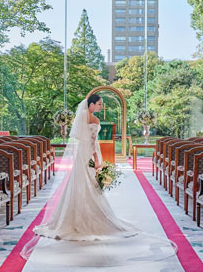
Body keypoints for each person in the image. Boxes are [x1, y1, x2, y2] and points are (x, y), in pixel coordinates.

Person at [33, 94, 139, 241]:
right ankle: (89, 217)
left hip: (81, 153)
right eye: (99, 104)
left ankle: (73, 216)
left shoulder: (82, 116)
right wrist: (97, 159)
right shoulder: (94, 119)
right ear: (91, 105)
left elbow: (81, 138)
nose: (101, 107)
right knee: (90, 181)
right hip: (89, 153)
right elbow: (92, 142)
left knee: (78, 181)